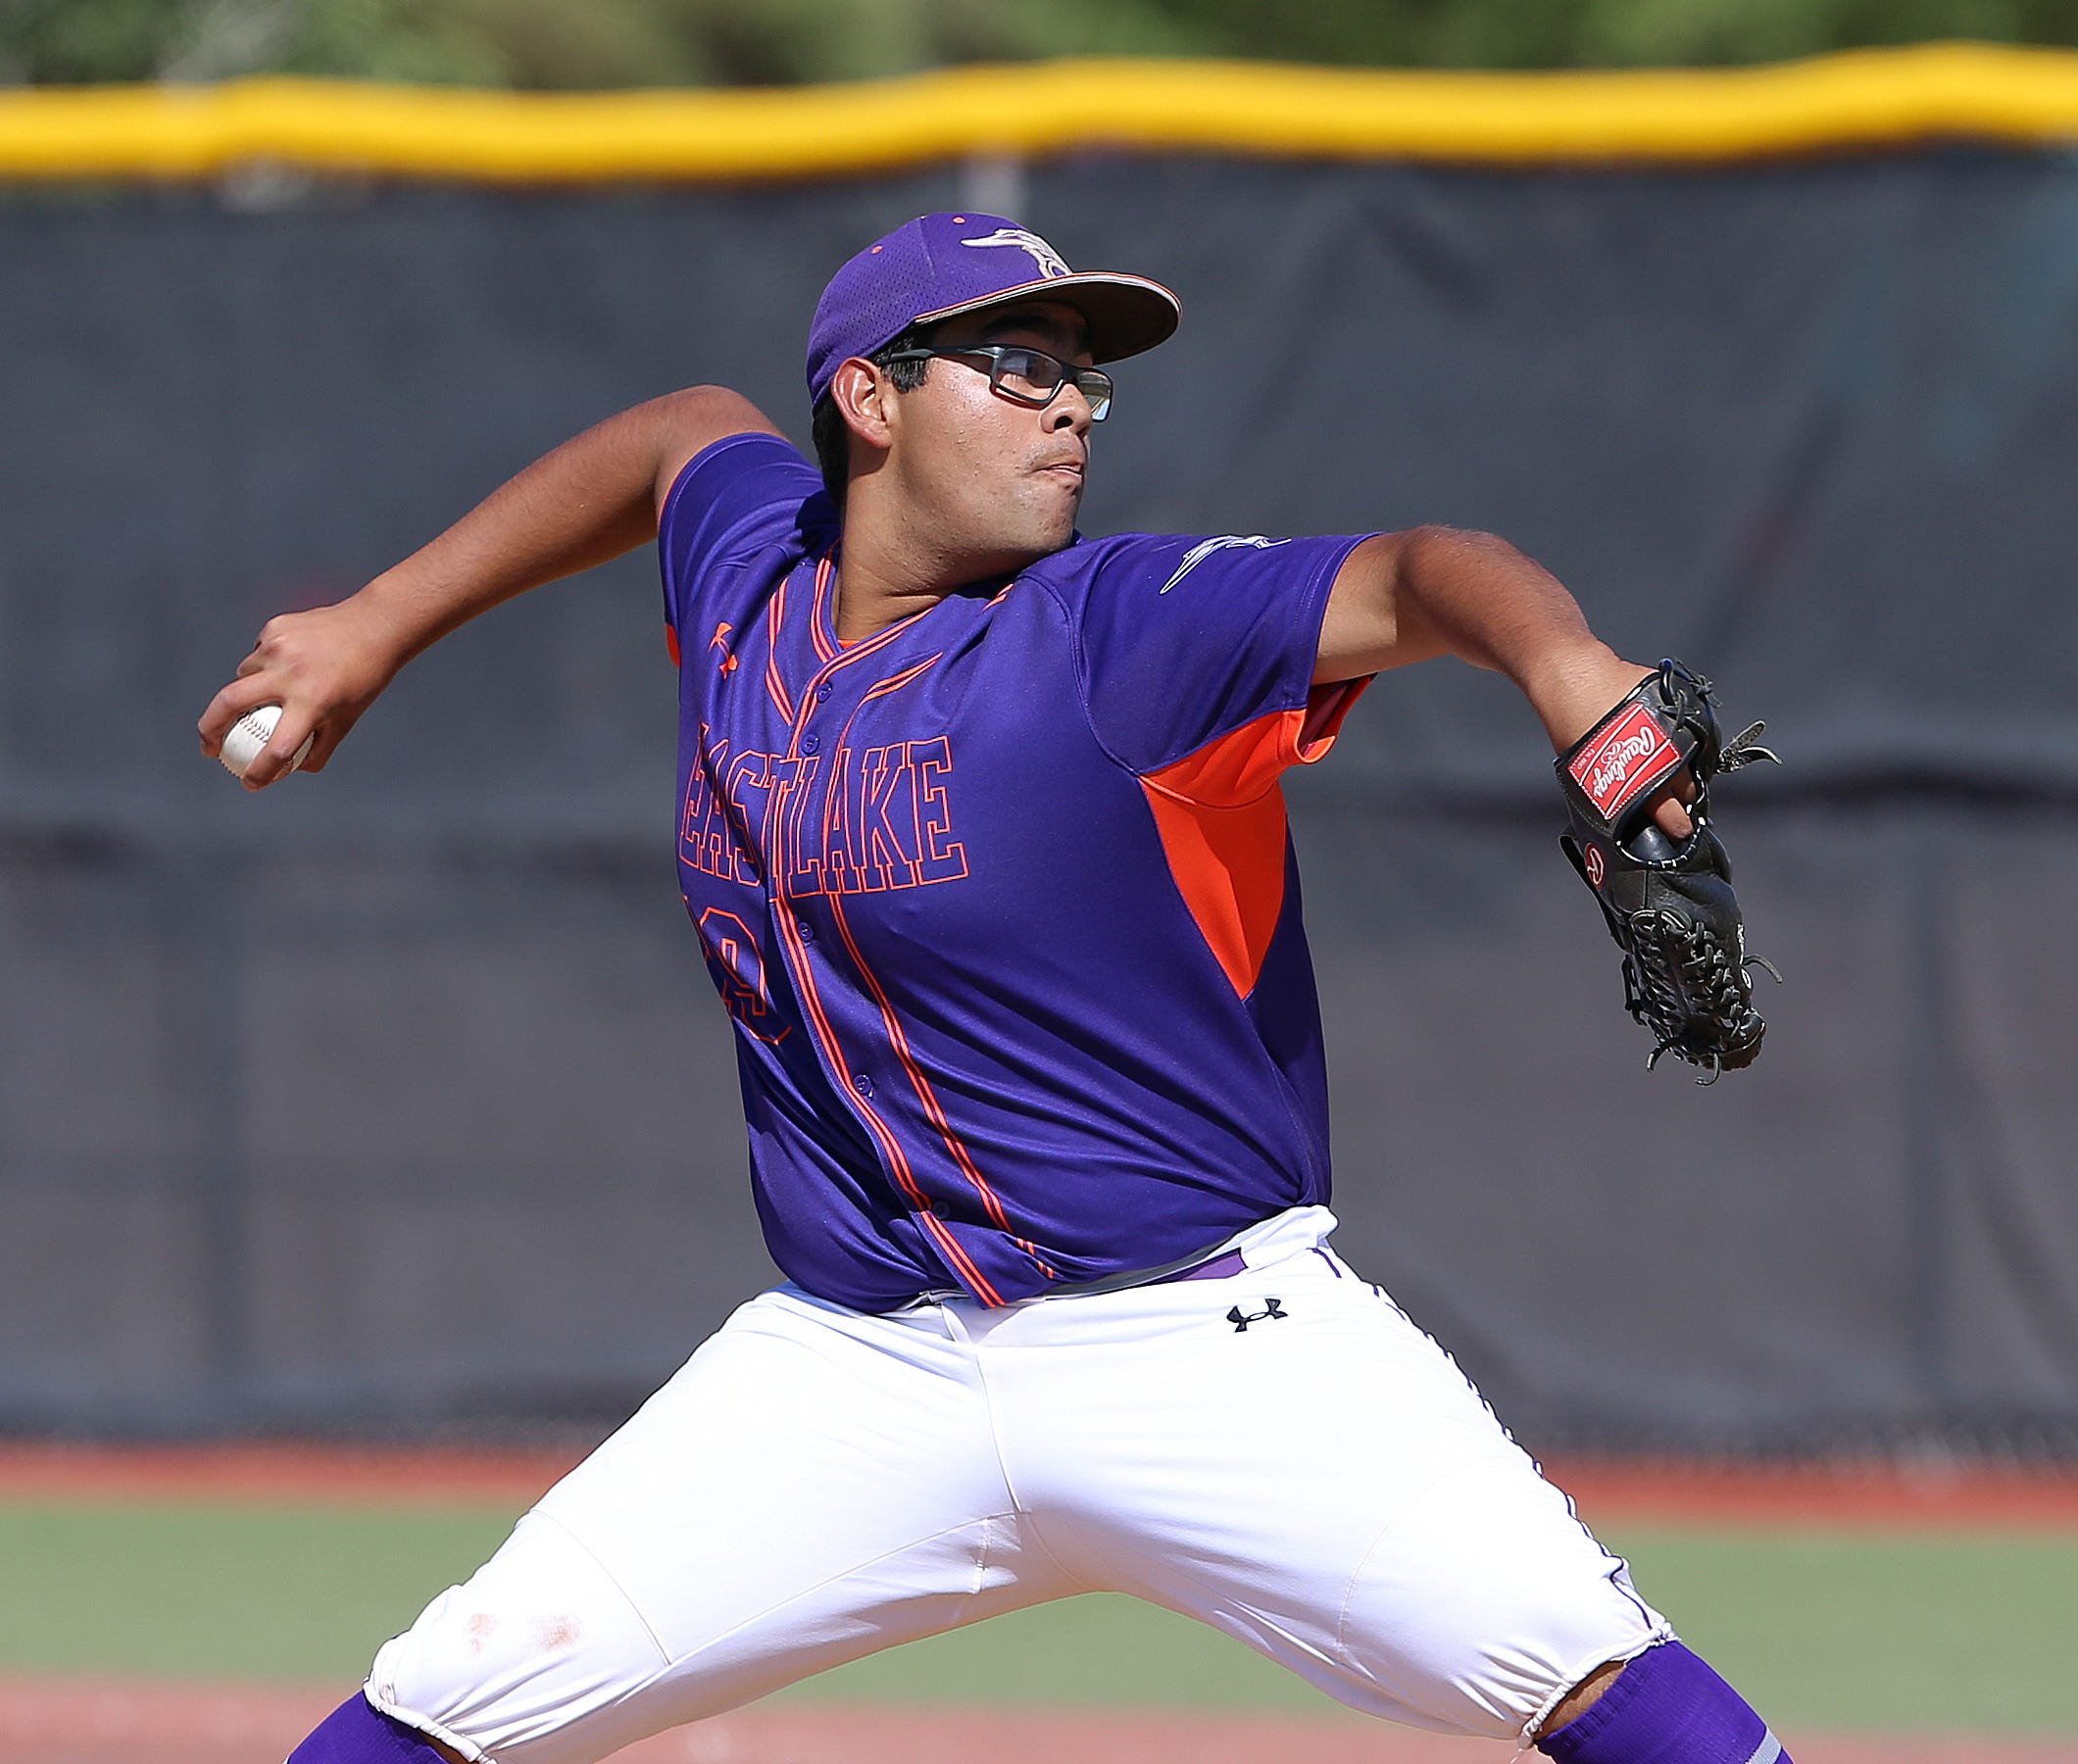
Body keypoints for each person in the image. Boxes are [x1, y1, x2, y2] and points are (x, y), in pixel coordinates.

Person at [204, 212, 1790, 1764]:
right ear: (870, 399)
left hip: (1204, 1350)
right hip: (860, 1369)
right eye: (1013, 362)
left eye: (1082, 378)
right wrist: (378, 621)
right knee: (438, 1709)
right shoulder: (754, 576)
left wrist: (1566, 667)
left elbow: (1427, 569)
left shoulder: (1119, 632)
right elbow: (681, 432)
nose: (1067, 406)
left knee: (1599, 1683)